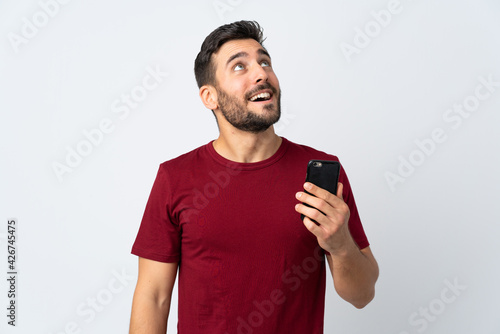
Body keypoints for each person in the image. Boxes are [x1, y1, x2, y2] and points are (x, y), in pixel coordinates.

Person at [129, 20, 379, 334]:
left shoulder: (321, 174)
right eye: (239, 67)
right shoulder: (175, 177)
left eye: (265, 62)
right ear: (210, 97)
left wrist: (341, 244)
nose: (261, 73)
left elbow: (362, 295)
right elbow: (154, 297)